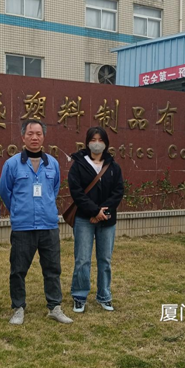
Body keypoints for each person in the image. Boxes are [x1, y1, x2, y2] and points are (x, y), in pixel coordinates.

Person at [0, 119, 73, 325]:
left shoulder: (53, 164)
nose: (34, 137)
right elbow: (5, 191)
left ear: (43, 137)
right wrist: (19, 209)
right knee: (18, 269)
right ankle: (18, 308)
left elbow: (54, 189)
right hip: (23, 226)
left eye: (38, 134)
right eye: (30, 134)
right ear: (23, 137)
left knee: (52, 268)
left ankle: (54, 307)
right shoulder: (12, 164)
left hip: (48, 225)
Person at [68, 126, 124, 313]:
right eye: (93, 140)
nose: (97, 143)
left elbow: (118, 192)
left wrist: (102, 213)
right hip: (84, 219)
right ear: (87, 142)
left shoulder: (113, 167)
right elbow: (76, 192)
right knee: (82, 259)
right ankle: (79, 296)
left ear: (106, 143)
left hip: (107, 220)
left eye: (100, 140)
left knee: (105, 260)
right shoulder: (78, 165)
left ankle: (104, 295)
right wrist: (93, 211)